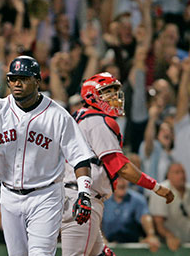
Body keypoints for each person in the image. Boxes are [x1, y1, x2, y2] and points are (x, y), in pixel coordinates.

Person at [0, 55, 95, 256]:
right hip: (9, 195)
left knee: (40, 253)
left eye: (23, 78)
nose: (17, 83)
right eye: (13, 78)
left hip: (45, 195)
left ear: (37, 81)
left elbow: (80, 157)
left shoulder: (57, 114)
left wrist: (84, 193)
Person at [60, 72, 174, 256]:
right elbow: (121, 167)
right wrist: (156, 187)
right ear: (91, 95)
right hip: (83, 199)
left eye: (115, 91)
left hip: (74, 195)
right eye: (107, 92)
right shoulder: (96, 120)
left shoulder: (81, 116)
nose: (114, 97)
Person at [102, 177, 160, 252]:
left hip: (132, 246)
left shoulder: (138, 199)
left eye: (124, 179)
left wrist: (151, 235)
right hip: (109, 246)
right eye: (118, 179)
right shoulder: (104, 200)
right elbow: (97, 222)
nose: (122, 183)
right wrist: (100, 238)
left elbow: (145, 217)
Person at [149, 162, 190, 251]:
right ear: (169, 175)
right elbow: (158, 224)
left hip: (187, 244)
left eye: (183, 172)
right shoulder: (161, 191)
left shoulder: (188, 189)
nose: (182, 176)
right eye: (177, 172)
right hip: (167, 247)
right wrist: (169, 236)